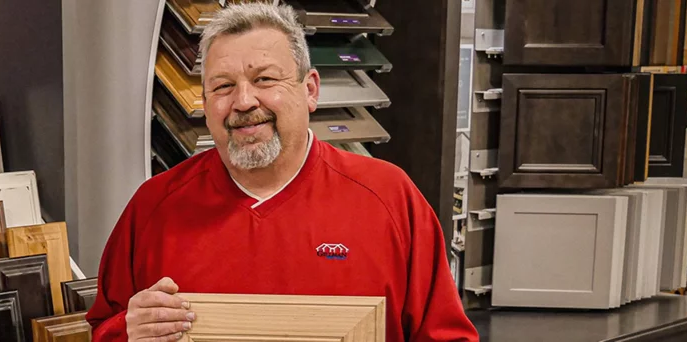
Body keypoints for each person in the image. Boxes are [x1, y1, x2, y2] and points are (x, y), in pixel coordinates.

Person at [85, 3, 479, 341]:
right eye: (222, 86)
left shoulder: (389, 199)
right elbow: (103, 327)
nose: (243, 101)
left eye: (265, 80)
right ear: (205, 103)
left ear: (310, 90)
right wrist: (129, 330)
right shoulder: (154, 207)